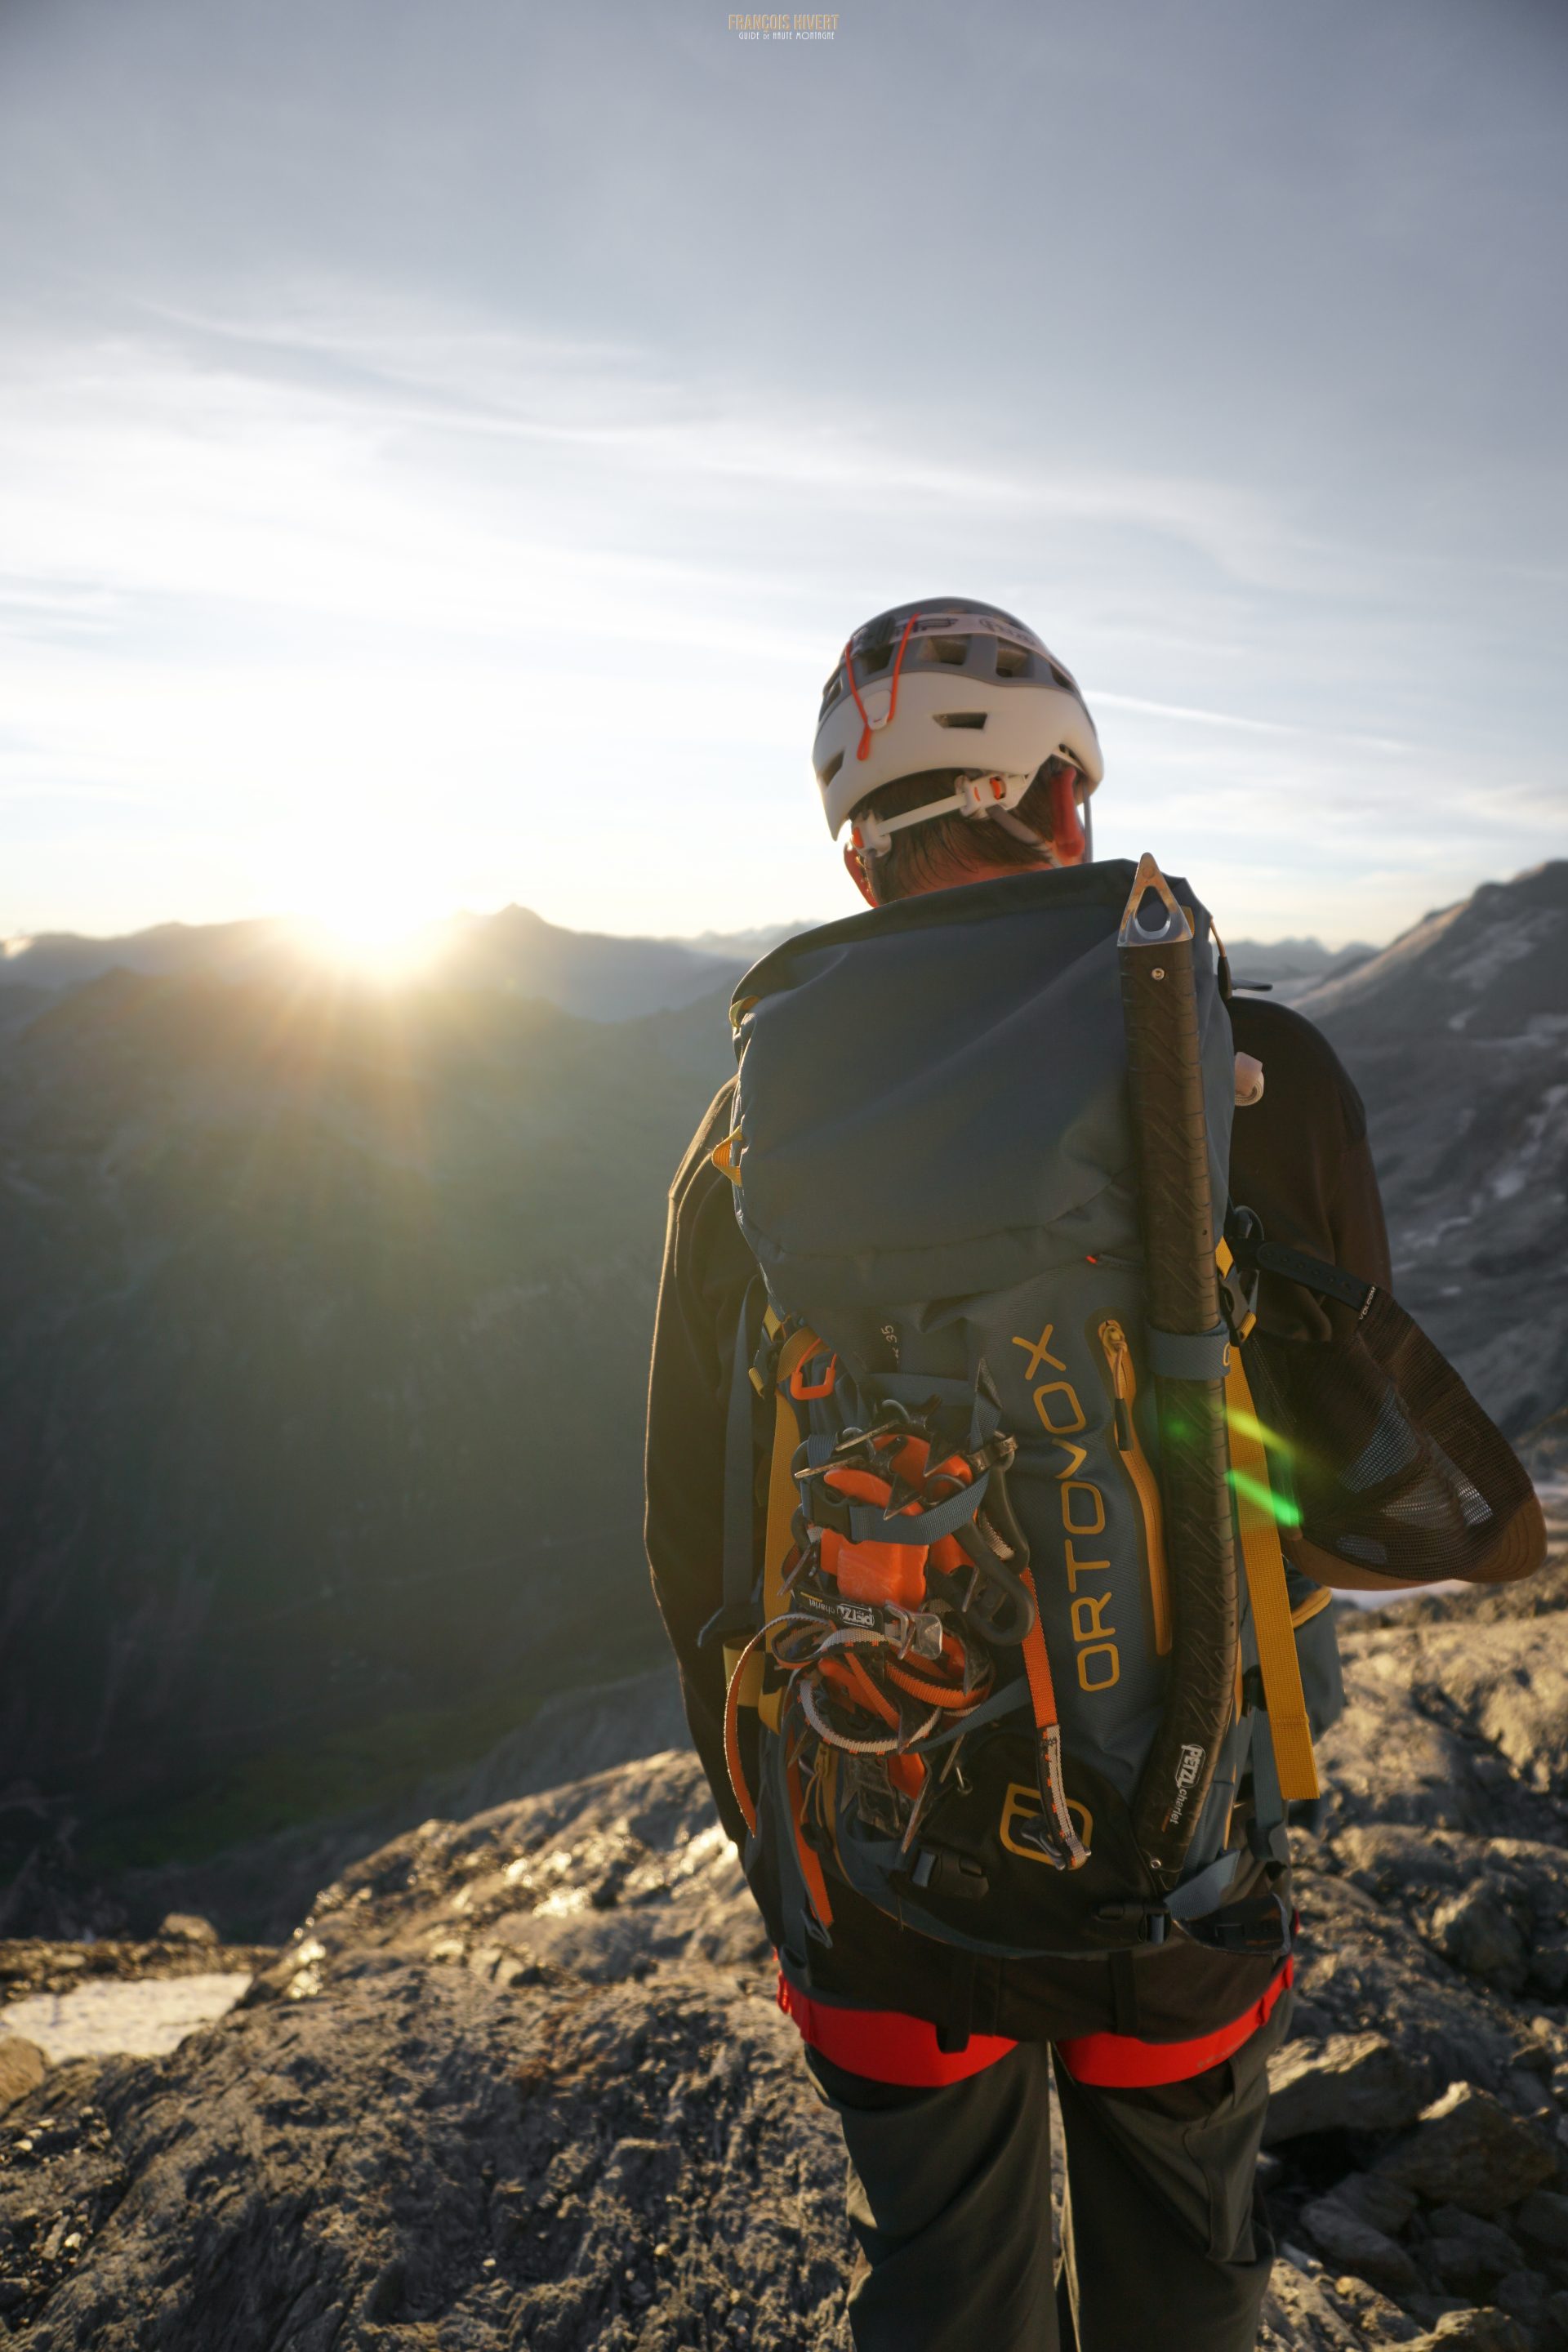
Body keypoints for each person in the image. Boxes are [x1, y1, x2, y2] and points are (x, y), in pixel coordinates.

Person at [644, 598, 1543, 2351]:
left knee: (940, 2284)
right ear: (1064, 803)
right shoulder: (1249, 1070)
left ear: (854, 853)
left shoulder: (744, 1136)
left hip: (874, 1852)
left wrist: (778, 1832)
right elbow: (1347, 1470)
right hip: (1179, 1832)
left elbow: (693, 1543)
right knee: (1186, 2272)